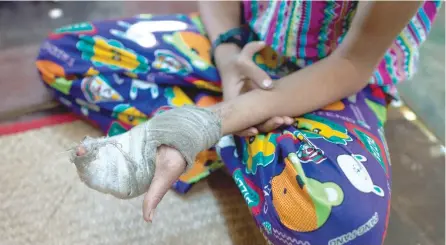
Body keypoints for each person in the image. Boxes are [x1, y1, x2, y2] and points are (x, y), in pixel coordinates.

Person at [36, 1, 441, 244]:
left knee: (348, 227)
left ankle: (225, 131)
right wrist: (228, 57)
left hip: (338, 81)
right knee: (65, 55)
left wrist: (209, 121)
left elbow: (352, 63)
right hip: (242, 45)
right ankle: (254, 137)